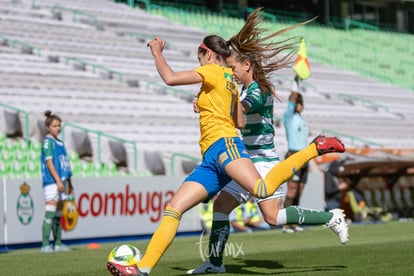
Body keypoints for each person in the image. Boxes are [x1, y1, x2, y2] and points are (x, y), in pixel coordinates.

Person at [106, 8, 345, 276]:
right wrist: (206, 105)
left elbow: (170, 78)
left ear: (208, 54)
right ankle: (144, 269)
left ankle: (315, 147)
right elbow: (240, 121)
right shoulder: (228, 81)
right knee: (175, 208)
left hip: (225, 146)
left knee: (263, 190)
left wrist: (157, 51)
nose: (200, 63)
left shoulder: (213, 72)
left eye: (200, 58)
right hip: (212, 156)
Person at [187, 10, 349, 275]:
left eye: (234, 68)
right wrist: (205, 101)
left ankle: (331, 216)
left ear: (247, 65)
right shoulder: (243, 89)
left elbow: (237, 115)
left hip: (263, 163)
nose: (231, 73)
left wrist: (208, 102)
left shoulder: (257, 91)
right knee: (222, 206)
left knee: (273, 218)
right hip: (246, 161)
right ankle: (215, 264)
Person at [40, 110, 73, 253]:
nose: (58, 128)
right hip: (52, 182)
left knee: (58, 214)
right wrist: (58, 181)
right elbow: (50, 163)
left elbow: (64, 163)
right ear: (48, 127)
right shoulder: (48, 142)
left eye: (59, 125)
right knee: (50, 212)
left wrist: (69, 183)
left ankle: (58, 243)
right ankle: (45, 245)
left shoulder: (60, 142)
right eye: (54, 126)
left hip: (62, 182)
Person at [282, 74, 309, 233]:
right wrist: (296, 81)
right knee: (291, 189)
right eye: (298, 102)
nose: (300, 105)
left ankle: (295, 221)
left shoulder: (302, 120)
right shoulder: (289, 117)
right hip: (293, 155)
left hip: (304, 157)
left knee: (300, 190)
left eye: (302, 102)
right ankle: (286, 223)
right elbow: (292, 98)